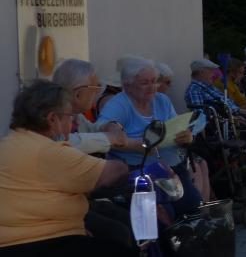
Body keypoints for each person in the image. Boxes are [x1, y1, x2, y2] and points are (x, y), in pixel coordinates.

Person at [0, 81, 132, 255]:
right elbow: (112, 173)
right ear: (53, 119)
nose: (72, 122)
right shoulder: (48, 152)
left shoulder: (9, 142)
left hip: (19, 238)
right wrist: (124, 167)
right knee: (120, 243)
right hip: (40, 240)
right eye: (70, 116)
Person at [95, 59, 204, 220]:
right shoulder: (119, 104)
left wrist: (187, 136)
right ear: (127, 85)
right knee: (166, 214)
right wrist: (128, 139)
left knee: (193, 206)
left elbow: (178, 127)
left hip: (170, 167)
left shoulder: (162, 100)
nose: (152, 87)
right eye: (145, 83)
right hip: (138, 172)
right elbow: (104, 129)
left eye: (154, 81)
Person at [51, 59, 126, 154]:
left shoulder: (76, 115)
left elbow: (91, 129)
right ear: (78, 94)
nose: (99, 92)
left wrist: (109, 126)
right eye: (95, 88)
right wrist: (109, 138)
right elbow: (64, 144)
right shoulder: (54, 116)